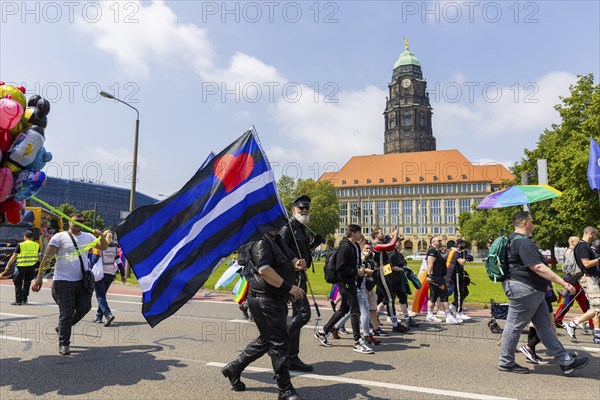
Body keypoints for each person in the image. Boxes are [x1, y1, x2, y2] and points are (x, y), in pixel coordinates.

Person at [498, 211, 588, 375]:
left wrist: (544, 285)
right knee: (514, 325)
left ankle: (564, 361)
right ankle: (506, 361)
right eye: (532, 221)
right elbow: (537, 266)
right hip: (524, 289)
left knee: (544, 326)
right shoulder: (523, 242)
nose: (534, 224)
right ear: (525, 223)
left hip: (531, 289)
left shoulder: (512, 240)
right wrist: (563, 283)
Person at [221, 229, 306, 400]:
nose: (280, 223)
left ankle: (234, 368)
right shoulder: (261, 241)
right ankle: (285, 390)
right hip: (265, 300)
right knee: (280, 343)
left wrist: (296, 263)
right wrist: (290, 288)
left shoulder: (277, 239)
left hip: (275, 299)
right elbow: (264, 270)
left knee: (267, 340)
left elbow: (289, 259)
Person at [31, 213, 108, 356]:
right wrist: (39, 278)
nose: (79, 223)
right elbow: (47, 258)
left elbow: (103, 247)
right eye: (76, 221)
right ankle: (64, 343)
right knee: (66, 314)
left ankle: (62, 327)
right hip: (63, 281)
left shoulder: (88, 237)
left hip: (83, 281)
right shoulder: (59, 237)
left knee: (85, 307)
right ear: (69, 222)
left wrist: (101, 236)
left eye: (82, 221)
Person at [279, 195, 324, 372]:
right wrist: (293, 263)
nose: (304, 211)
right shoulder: (288, 227)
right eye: (301, 208)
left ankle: (291, 356)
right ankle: (278, 341)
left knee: (299, 314)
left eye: (306, 209)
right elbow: (280, 250)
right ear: (293, 210)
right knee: (303, 314)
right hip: (292, 278)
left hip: (300, 276)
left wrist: (314, 244)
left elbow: (300, 251)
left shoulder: (301, 228)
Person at [315, 224, 374, 354]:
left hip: (352, 281)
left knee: (344, 309)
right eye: (359, 232)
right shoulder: (345, 246)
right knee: (355, 311)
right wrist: (357, 272)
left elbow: (354, 265)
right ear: (353, 233)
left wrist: (362, 271)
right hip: (345, 282)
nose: (361, 235)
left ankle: (323, 331)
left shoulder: (355, 246)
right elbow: (340, 267)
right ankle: (357, 342)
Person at [563, 226, 600, 344]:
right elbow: (586, 264)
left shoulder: (583, 246)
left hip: (590, 278)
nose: (596, 237)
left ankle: (575, 325)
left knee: (596, 307)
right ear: (590, 233)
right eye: (595, 234)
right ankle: (572, 324)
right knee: (598, 307)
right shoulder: (583, 246)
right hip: (588, 279)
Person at [553, 236, 592, 329]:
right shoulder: (571, 251)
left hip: (575, 280)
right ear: (572, 242)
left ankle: (592, 321)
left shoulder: (571, 251)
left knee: (583, 302)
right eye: (577, 241)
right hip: (572, 280)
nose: (579, 243)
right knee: (568, 302)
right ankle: (557, 319)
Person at [89, 230, 126, 326]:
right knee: (102, 296)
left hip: (100, 274)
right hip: (110, 274)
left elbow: (94, 260)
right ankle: (98, 316)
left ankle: (108, 314)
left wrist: (91, 254)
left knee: (100, 296)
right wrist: (123, 275)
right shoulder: (115, 248)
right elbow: (119, 263)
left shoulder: (99, 246)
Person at [425, 236, 460, 324]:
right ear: (433, 242)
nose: (440, 242)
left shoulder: (437, 251)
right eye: (438, 241)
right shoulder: (432, 251)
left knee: (434, 295)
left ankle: (429, 315)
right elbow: (430, 263)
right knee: (444, 295)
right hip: (436, 277)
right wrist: (429, 275)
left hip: (438, 276)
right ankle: (448, 316)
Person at [4, 230, 40, 305]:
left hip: (21, 267)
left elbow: (14, 256)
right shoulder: (37, 245)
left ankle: (18, 301)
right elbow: (39, 256)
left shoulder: (21, 245)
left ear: (25, 237)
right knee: (27, 282)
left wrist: (8, 265)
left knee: (18, 283)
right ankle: (24, 299)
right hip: (31, 267)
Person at [445, 239, 471, 321]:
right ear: (459, 244)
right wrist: (464, 256)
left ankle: (453, 306)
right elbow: (462, 262)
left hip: (458, 274)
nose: (464, 246)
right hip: (455, 274)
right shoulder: (455, 252)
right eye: (463, 244)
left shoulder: (455, 251)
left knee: (465, 292)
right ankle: (459, 312)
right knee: (459, 293)